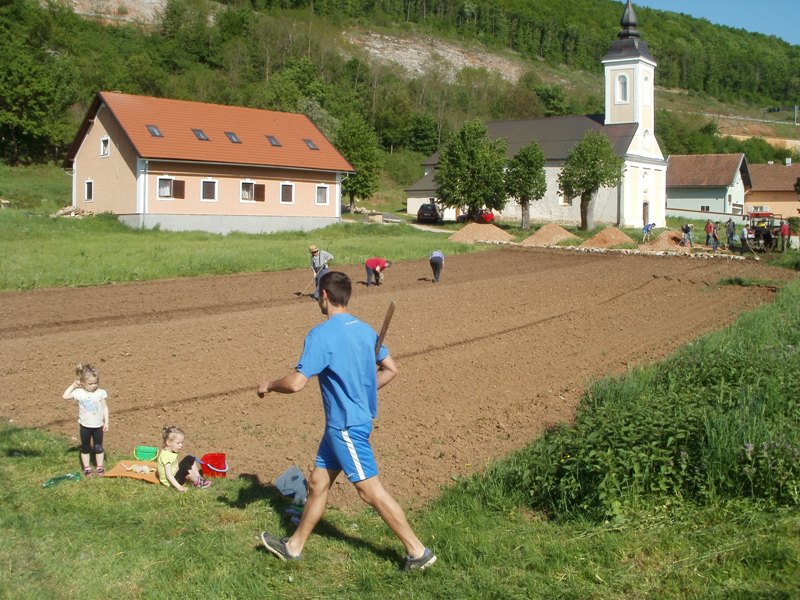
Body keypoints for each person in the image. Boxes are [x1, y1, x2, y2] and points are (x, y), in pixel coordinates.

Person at [256, 271, 436, 571]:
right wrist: (363, 387)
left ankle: (418, 552)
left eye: (317, 294)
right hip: (341, 426)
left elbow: (297, 383)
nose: (317, 299)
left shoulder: (321, 335)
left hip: (347, 428)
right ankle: (293, 547)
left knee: (369, 490)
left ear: (324, 295)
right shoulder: (365, 331)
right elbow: (391, 369)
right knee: (317, 483)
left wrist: (269, 385)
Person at [62, 363, 109, 477]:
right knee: (85, 448)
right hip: (85, 427)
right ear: (82, 383)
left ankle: (99, 467)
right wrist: (73, 385)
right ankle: (87, 468)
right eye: (90, 383)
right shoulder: (79, 393)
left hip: (98, 426)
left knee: (98, 447)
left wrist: (106, 422)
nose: (94, 385)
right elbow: (65, 396)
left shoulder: (100, 393)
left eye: (96, 383)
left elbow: (105, 407)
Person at [156, 425, 212, 492]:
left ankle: (198, 477)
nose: (181, 445)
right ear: (168, 442)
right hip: (171, 483)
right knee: (185, 467)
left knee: (190, 458)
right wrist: (179, 487)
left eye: (182, 443)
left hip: (175, 474)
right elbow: (169, 476)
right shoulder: (166, 456)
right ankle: (198, 483)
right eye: (178, 443)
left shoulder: (170, 451)